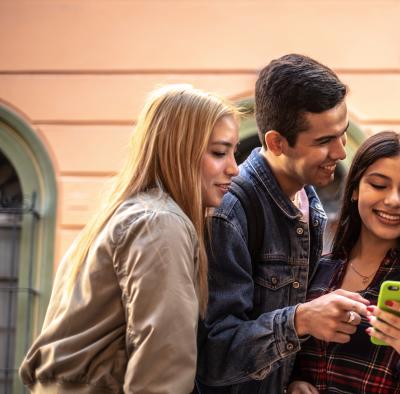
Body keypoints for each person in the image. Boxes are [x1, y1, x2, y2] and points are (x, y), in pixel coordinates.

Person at [19, 84, 240, 393]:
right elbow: (162, 371)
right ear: (178, 150)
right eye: (219, 152)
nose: (234, 168)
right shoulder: (161, 224)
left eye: (233, 152)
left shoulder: (128, 213)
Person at [197, 54, 369, 394]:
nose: (340, 151)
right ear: (277, 142)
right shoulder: (230, 212)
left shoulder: (308, 199)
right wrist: (301, 320)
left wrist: (294, 378)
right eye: (323, 141)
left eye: (343, 133)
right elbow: (214, 356)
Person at [288, 131, 400, 394]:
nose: (393, 200)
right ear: (355, 189)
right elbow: (288, 358)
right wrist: (293, 383)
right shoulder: (318, 268)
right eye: (379, 185)